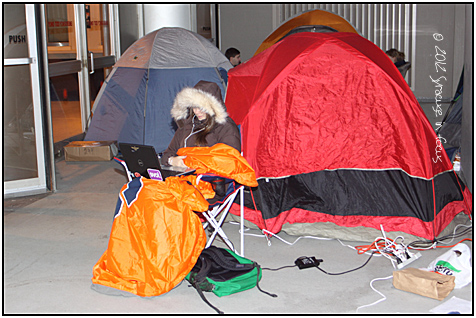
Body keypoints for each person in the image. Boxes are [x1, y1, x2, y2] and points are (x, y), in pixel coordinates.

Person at [161, 80, 241, 168]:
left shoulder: (225, 127)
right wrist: (172, 160)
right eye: (194, 106)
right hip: (185, 177)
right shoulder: (188, 125)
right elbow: (166, 154)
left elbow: (229, 161)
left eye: (203, 108)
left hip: (209, 178)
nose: (197, 111)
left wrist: (192, 163)